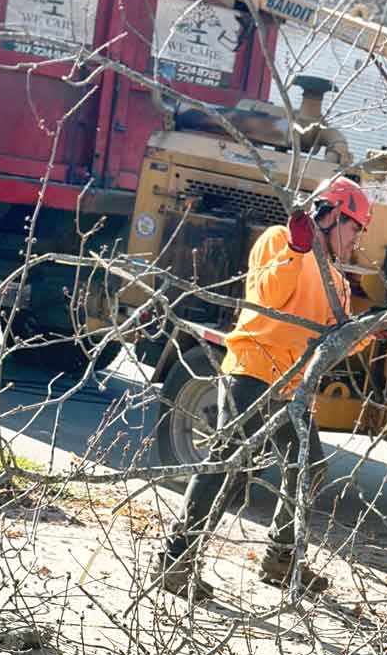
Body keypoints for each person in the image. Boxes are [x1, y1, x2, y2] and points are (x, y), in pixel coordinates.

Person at [156, 178, 373, 602]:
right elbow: (266, 295)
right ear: (330, 215)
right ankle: (176, 562)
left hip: (292, 387)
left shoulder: (337, 281)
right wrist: (295, 250)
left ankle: (281, 560)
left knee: (308, 466)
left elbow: (338, 336)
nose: (357, 239)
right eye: (355, 227)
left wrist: (375, 327)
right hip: (252, 370)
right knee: (227, 465)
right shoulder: (280, 240)